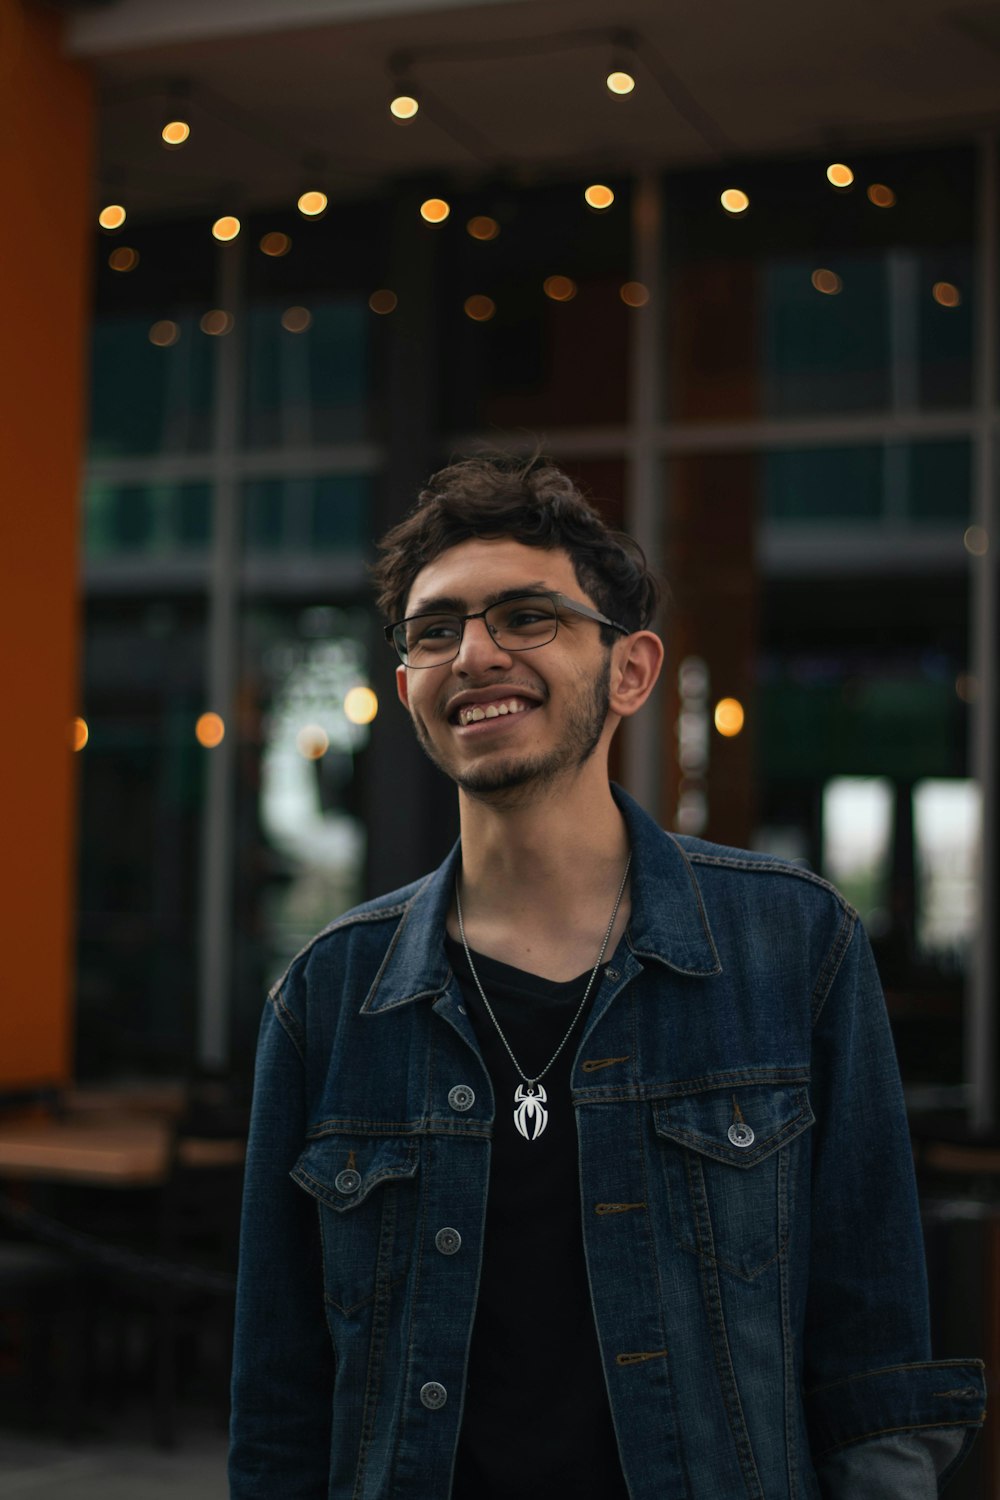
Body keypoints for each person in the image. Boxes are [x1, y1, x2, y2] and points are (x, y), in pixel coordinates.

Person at [228, 456, 985, 1499]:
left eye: (526, 616)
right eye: (436, 630)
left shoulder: (792, 948)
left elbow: (875, 1369)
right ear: (406, 687)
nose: (475, 653)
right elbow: (279, 1409)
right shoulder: (329, 993)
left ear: (630, 671)